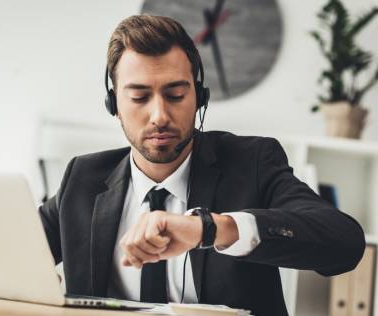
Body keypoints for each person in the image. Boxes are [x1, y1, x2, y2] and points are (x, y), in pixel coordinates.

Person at [39, 15, 365, 315]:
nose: (159, 116)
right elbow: (5, 257)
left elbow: (344, 243)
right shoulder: (82, 180)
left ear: (199, 97)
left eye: (176, 95)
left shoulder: (252, 163)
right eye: (139, 97)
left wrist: (212, 228)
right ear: (114, 105)